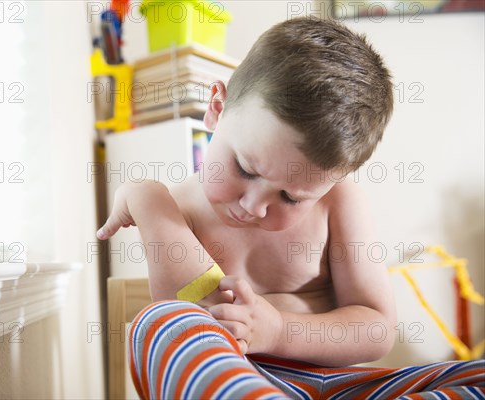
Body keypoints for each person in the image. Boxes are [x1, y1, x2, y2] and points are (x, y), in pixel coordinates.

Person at [97, 17, 485, 399]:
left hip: (333, 383)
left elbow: (376, 327)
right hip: (229, 375)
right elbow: (193, 307)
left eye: (291, 197)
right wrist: (146, 197)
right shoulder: (176, 208)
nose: (254, 206)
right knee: (159, 322)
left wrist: (279, 329)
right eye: (246, 169)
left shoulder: (339, 203)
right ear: (216, 108)